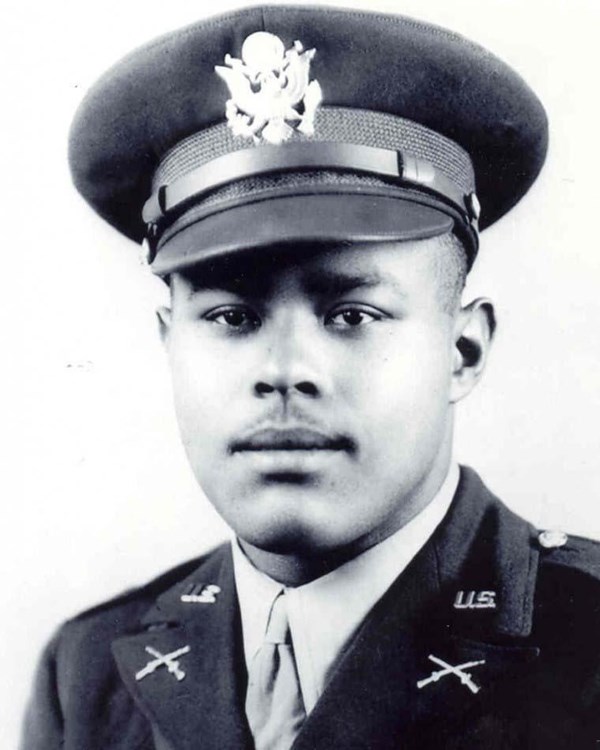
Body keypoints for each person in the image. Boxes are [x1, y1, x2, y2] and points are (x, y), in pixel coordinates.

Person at [21, 5, 600, 749]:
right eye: (232, 317)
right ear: (170, 345)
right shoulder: (86, 674)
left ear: (463, 351)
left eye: (351, 315)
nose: (285, 372)